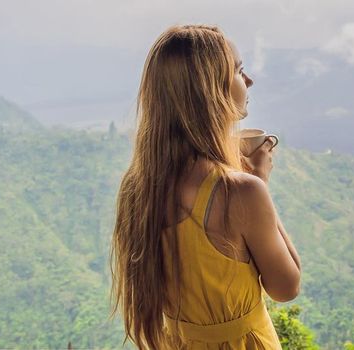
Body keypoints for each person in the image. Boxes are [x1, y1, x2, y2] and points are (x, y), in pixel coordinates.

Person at [110, 24, 301, 350]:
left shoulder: (138, 187)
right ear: (211, 89)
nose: (249, 80)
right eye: (239, 70)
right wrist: (260, 183)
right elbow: (287, 286)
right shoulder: (242, 192)